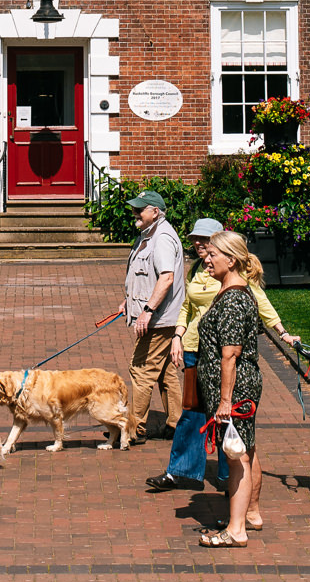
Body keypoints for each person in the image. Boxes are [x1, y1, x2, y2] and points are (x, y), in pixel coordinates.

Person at [149, 221, 299, 500]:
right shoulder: (197, 269)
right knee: (193, 414)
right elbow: (186, 306)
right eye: (195, 240)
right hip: (195, 348)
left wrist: (283, 332)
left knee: (225, 420)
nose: (198, 246)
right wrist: (178, 336)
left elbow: (261, 304)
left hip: (220, 354)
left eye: (205, 241)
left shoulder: (234, 280)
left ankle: (229, 480)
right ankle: (181, 471)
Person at [195, 229, 266, 548]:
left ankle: (237, 529)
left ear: (231, 260)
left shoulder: (236, 298)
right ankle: (244, 517)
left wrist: (225, 401)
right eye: (207, 254)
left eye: (213, 255)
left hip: (235, 390)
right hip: (233, 388)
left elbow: (230, 354)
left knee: (238, 456)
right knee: (242, 451)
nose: (206, 259)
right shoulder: (232, 291)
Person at [116, 190, 183, 446]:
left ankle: (136, 428)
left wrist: (148, 310)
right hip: (157, 317)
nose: (135, 213)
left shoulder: (162, 237)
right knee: (165, 372)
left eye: (140, 209)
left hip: (160, 320)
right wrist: (130, 300)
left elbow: (166, 277)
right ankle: (177, 424)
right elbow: (147, 277)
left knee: (141, 369)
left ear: (155, 212)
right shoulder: (148, 235)